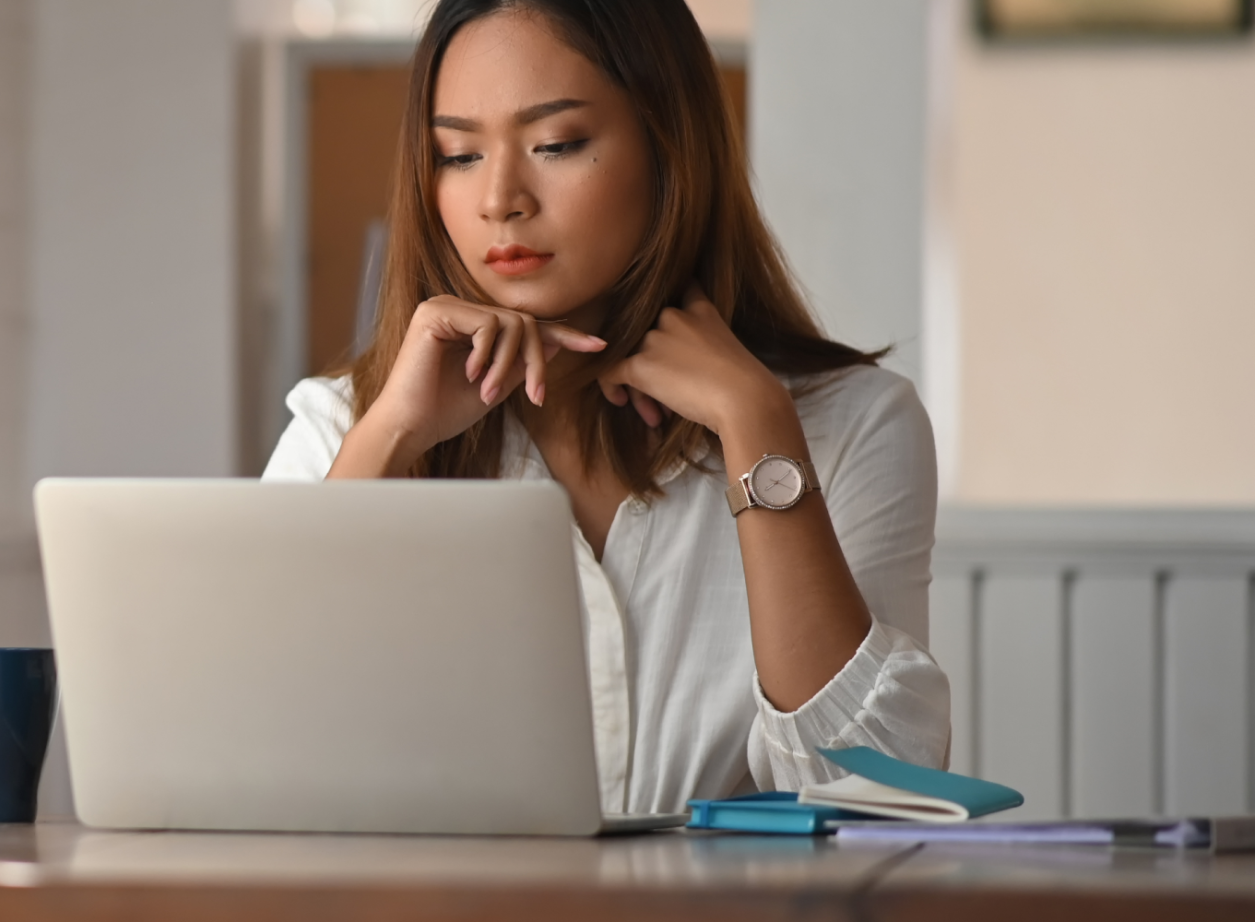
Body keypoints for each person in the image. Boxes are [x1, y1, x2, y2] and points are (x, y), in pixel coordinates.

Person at [261, 0, 949, 814]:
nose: (500, 199)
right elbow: (255, 745)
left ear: (671, 147)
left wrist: (756, 427)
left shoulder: (850, 424)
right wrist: (392, 436)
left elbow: (877, 791)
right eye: (456, 154)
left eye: (557, 144)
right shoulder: (346, 428)